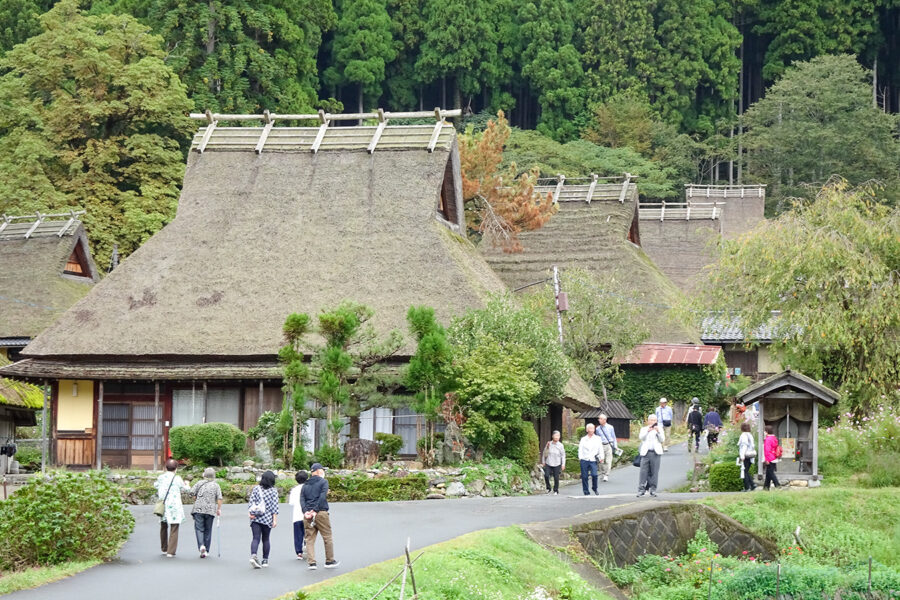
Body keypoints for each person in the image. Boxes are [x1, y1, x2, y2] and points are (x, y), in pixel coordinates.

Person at [301, 463, 339, 570]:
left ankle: (312, 563)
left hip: (308, 514)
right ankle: (329, 560)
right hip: (321, 513)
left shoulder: (305, 485)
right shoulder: (324, 482)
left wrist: (305, 511)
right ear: (318, 471)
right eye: (322, 470)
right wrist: (315, 510)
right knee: (327, 537)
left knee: (309, 539)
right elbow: (322, 497)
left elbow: (302, 499)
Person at [155, 458, 191, 558]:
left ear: (166, 468)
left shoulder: (161, 477)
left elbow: (155, 485)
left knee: (163, 526)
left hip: (163, 505)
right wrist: (187, 484)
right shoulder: (177, 478)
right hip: (174, 506)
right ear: (176, 468)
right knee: (174, 528)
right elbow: (187, 489)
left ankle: (164, 548)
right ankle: (170, 552)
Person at [248, 470, 279, 569]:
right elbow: (275, 507)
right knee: (266, 539)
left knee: (255, 538)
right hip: (267, 518)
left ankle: (253, 555)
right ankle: (265, 560)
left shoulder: (256, 489)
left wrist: (250, 514)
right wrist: (274, 520)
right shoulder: (273, 491)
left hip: (256, 517)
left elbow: (251, 502)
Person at [190, 467, 223, 558]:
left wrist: (196, 499)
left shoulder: (199, 483)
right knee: (208, 530)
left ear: (204, 475)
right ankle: (207, 550)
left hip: (198, 509)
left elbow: (192, 493)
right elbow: (219, 498)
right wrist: (219, 509)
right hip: (210, 510)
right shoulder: (216, 485)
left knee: (199, 528)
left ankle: (201, 546)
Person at [637, 415, 665, 497]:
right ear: (648, 421)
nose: (653, 422)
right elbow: (641, 438)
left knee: (654, 472)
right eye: (652, 420)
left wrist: (658, 432)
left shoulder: (659, 429)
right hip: (646, 453)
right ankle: (641, 489)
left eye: (655, 420)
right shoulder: (644, 429)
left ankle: (653, 489)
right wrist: (648, 431)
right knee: (643, 471)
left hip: (656, 452)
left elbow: (662, 440)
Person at [577, 423, 603, 496]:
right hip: (584, 459)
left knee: (594, 475)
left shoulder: (598, 438)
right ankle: (586, 491)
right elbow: (580, 449)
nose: (591, 430)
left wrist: (601, 457)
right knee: (584, 476)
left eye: (593, 428)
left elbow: (600, 449)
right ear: (587, 430)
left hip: (593, 459)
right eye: (590, 429)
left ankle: (595, 488)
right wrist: (580, 458)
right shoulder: (583, 439)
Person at [288, 470, 309, 559]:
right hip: (307, 514)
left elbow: (291, 503)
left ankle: (299, 552)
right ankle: (307, 548)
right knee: (308, 533)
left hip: (296, 515)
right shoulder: (308, 488)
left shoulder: (294, 490)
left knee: (298, 534)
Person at [595, 414, 619, 482]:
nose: (599, 420)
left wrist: (615, 446)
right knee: (600, 461)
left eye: (600, 419)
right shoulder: (597, 428)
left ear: (604, 420)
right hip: (600, 445)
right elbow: (597, 438)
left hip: (608, 445)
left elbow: (613, 437)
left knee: (608, 461)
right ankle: (602, 473)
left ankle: (606, 475)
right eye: (599, 419)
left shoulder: (610, 427)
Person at [737, 422, 758, 491]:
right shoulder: (750, 435)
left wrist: (742, 455)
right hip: (750, 454)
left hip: (745, 455)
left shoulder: (743, 435)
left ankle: (747, 487)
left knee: (744, 471)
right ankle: (752, 485)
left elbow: (744, 445)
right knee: (746, 471)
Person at [762, 425, 782, 490]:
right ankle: (766, 487)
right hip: (774, 457)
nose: (764, 432)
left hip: (769, 458)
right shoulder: (774, 438)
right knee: (768, 473)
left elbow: (767, 450)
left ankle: (777, 485)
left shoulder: (768, 439)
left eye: (765, 431)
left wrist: (766, 459)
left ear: (767, 431)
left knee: (771, 473)